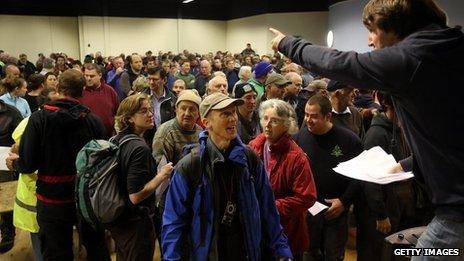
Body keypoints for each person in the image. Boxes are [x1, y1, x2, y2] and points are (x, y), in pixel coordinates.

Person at [271, 0, 464, 254]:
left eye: (372, 30)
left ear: (395, 25)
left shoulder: (413, 57)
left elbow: (343, 64)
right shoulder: (446, 48)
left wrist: (288, 44)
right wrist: (407, 165)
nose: (370, 41)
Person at [161, 92, 293, 261]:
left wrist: (281, 250)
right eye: (225, 114)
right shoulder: (190, 166)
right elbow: (174, 223)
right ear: (207, 122)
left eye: (233, 113)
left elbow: (268, 211)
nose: (233, 119)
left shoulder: (249, 159)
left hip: (246, 253)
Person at [5, 69, 110, 260]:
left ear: (58, 87)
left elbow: (28, 165)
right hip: (86, 200)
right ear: (82, 91)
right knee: (96, 249)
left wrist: (15, 163)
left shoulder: (39, 120)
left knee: (56, 253)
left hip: (52, 200)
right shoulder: (93, 121)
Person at [293, 94, 363, 261]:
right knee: (309, 254)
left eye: (314, 116)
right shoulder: (297, 139)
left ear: (328, 116)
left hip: (336, 212)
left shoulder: (349, 140)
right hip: (308, 213)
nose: (309, 120)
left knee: (334, 256)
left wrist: (344, 201)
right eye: (306, 114)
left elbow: (360, 176)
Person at [249, 99, 316, 260]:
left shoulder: (296, 157)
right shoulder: (253, 147)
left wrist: (271, 207)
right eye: (265, 118)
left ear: (286, 124)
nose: (268, 124)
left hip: (286, 231)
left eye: (275, 121)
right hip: (258, 229)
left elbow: (306, 197)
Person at [109, 93, 173, 260]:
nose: (150, 114)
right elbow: (136, 196)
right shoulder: (138, 148)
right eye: (143, 111)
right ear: (129, 118)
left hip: (120, 220)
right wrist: (162, 175)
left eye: (150, 110)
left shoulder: (118, 139)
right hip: (135, 223)